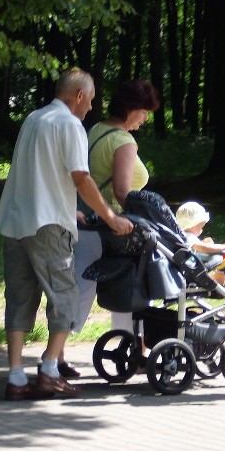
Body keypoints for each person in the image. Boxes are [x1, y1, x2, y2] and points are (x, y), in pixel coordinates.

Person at [0, 68, 133, 401]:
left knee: (19, 298)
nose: (91, 108)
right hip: (48, 227)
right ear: (80, 95)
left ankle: (15, 377)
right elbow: (80, 178)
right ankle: (49, 371)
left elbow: (35, 173)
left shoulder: (33, 119)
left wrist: (69, 208)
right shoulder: (70, 125)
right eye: (91, 100)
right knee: (65, 294)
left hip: (15, 221)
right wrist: (110, 216)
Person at [59, 79, 161, 376]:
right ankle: (129, 351)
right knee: (125, 287)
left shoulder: (95, 131)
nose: (144, 119)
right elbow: (121, 191)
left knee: (80, 285)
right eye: (144, 112)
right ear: (131, 109)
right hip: (112, 229)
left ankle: (60, 355)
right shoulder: (124, 141)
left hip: (86, 222)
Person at [175, 201, 225, 285]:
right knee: (217, 258)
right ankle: (213, 276)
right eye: (201, 227)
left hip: (187, 264)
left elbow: (198, 247)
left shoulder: (181, 235)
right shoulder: (189, 237)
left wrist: (205, 243)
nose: (202, 230)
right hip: (192, 269)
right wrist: (224, 246)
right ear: (192, 225)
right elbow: (204, 249)